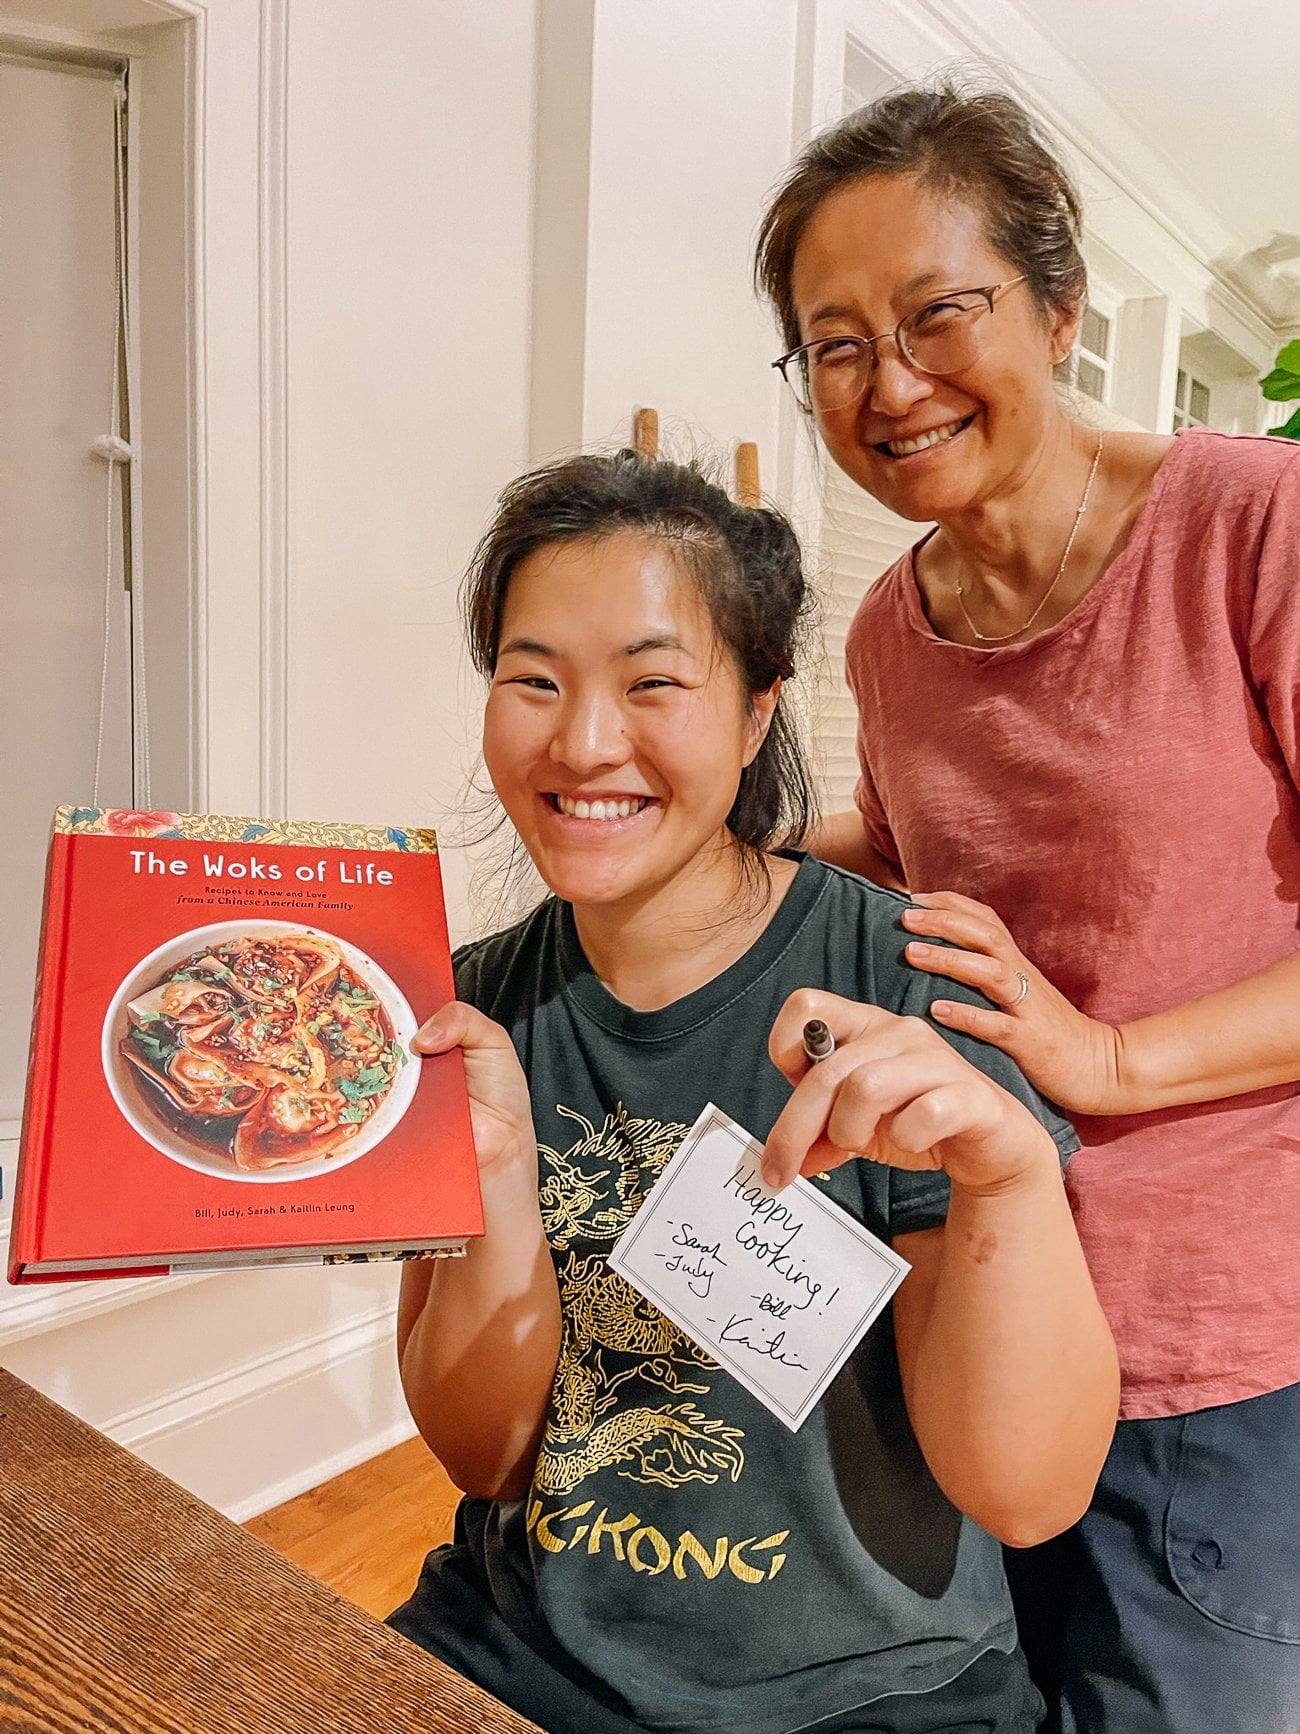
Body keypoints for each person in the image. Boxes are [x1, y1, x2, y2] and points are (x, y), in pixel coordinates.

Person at [387, 450, 1117, 1734]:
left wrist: (1002, 1170)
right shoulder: (472, 1007)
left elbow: (1023, 1493)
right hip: (518, 1654)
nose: (584, 741)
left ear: (756, 709)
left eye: (653, 682)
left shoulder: (904, 991)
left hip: (871, 1699)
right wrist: (495, 1179)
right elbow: (488, 1457)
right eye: (533, 680)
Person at [754, 81, 1300, 1734]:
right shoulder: (885, 629)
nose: (890, 383)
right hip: (974, 1273)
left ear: (1058, 307)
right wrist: (715, 846)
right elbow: (939, 853)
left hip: (1217, 1332)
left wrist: (1112, 1056)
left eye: (937, 315)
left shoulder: (1250, 525)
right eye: (835, 343)